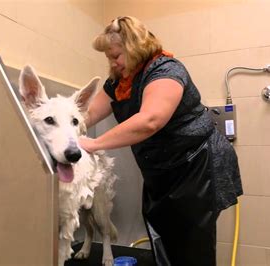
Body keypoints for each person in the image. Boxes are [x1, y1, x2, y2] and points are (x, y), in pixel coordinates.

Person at [78, 16, 243, 266]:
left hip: (196, 164)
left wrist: (93, 143)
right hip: (162, 169)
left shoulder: (167, 70)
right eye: (108, 57)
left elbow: (150, 120)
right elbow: (88, 115)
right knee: (162, 237)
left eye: (116, 55)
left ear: (134, 49)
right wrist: (65, 129)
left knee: (191, 243)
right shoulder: (118, 82)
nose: (112, 63)